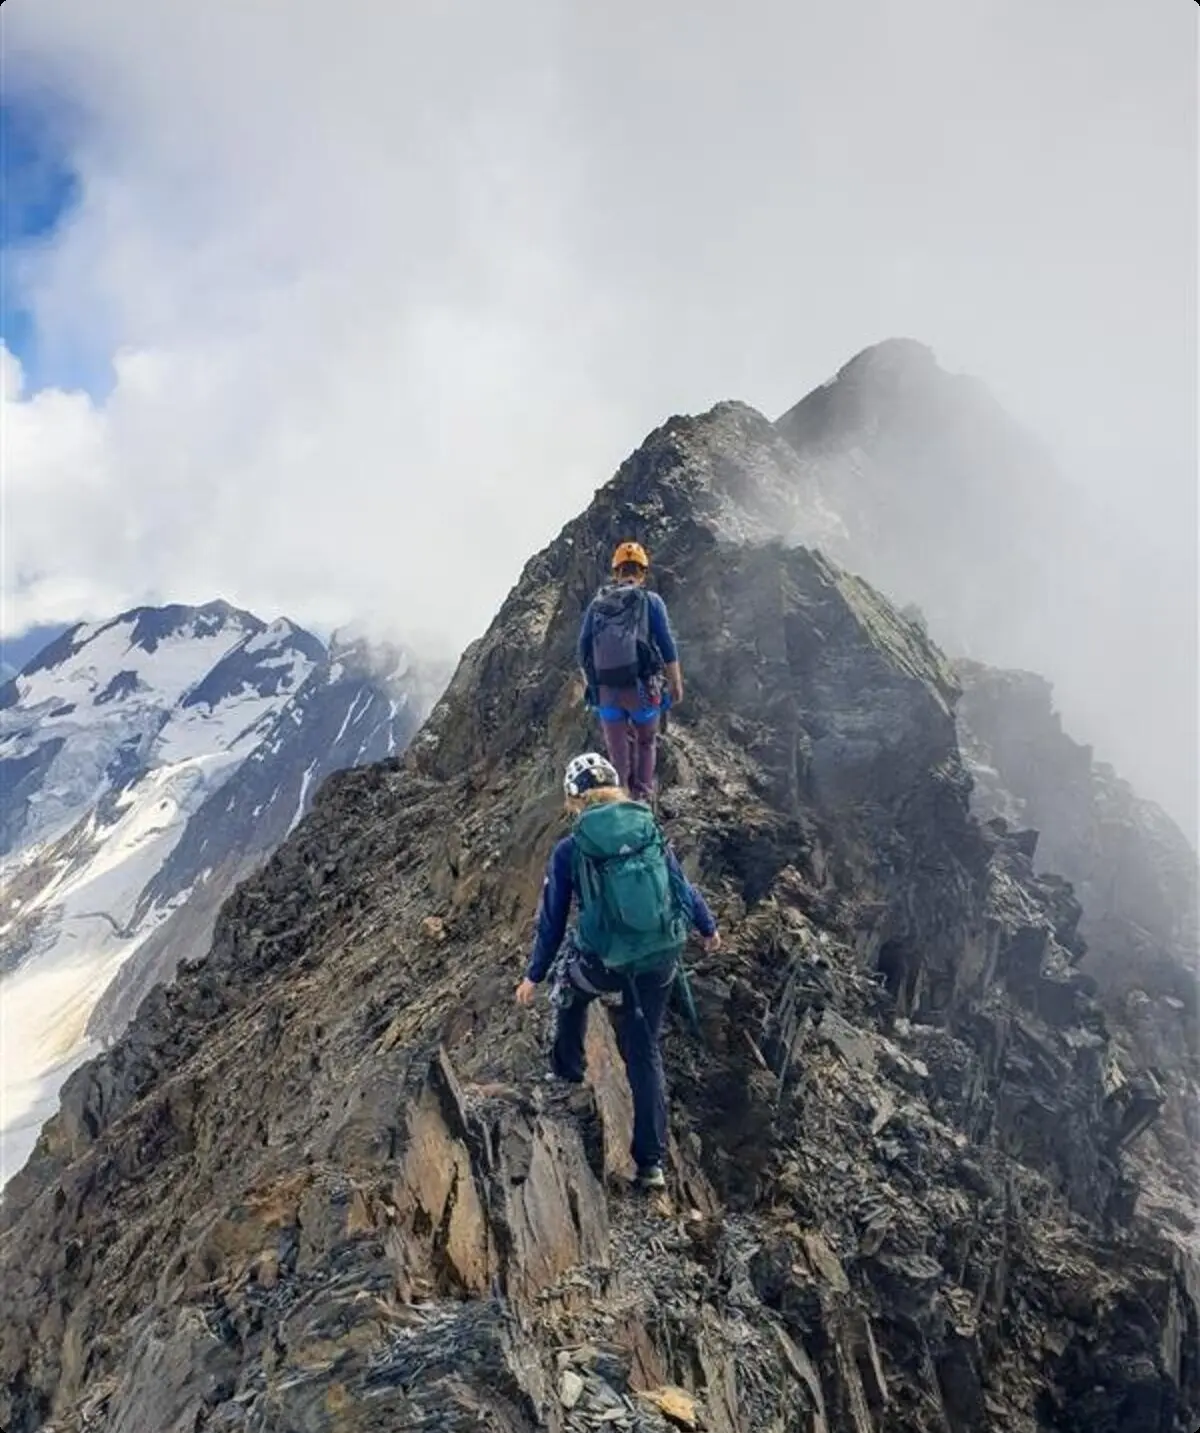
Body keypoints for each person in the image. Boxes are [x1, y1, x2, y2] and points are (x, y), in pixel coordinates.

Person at [514, 752, 720, 1190]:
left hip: (605, 962)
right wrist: (707, 927)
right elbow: (680, 885)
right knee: (644, 1051)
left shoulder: (571, 848)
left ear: (574, 798)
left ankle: (567, 1071)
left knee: (569, 986)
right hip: (661, 958)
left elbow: (552, 921)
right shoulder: (646, 827)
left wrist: (534, 975)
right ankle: (651, 1165)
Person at [577, 541, 683, 803]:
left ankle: (620, 799)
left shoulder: (597, 605)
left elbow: (582, 648)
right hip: (642, 691)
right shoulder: (651, 601)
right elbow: (666, 645)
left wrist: (594, 686)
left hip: (607, 693)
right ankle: (643, 800)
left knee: (618, 755)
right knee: (646, 742)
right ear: (643, 572)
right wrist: (676, 684)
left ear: (617, 572)